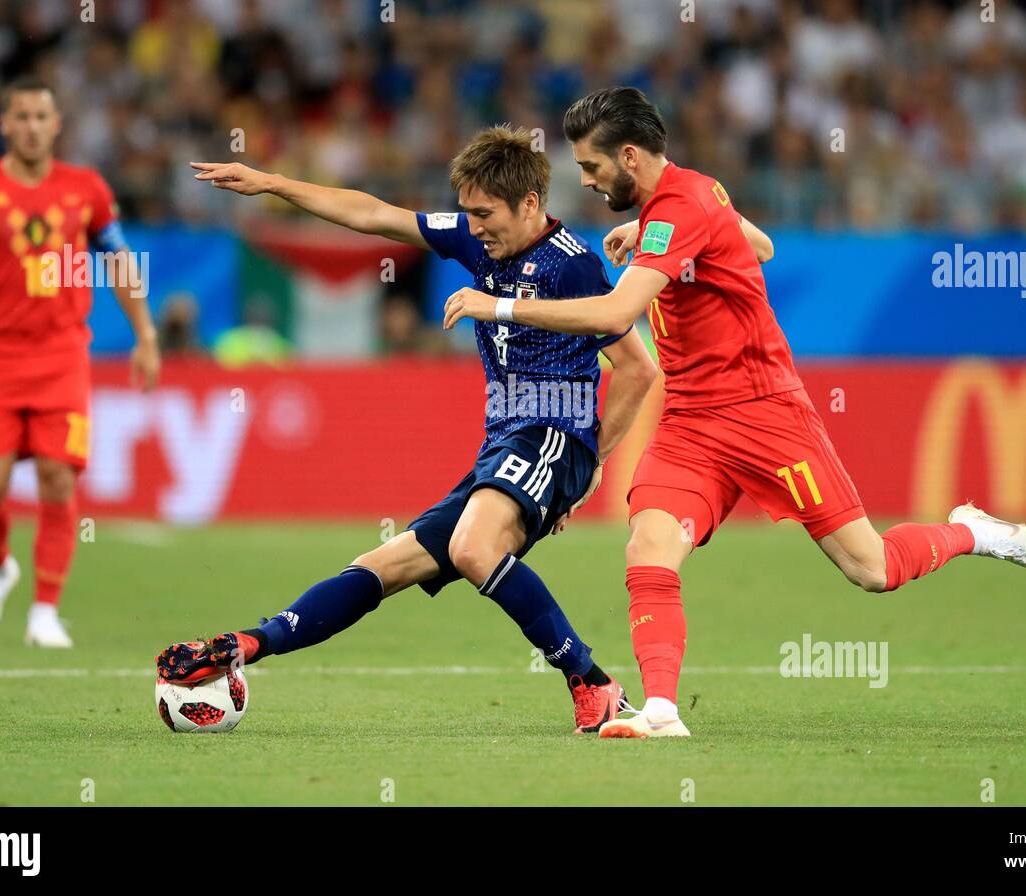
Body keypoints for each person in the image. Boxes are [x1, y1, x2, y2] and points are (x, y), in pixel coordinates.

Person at [443, 88, 1026, 738]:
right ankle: (661, 711)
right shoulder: (689, 200)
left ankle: (972, 531)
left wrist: (498, 306)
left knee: (870, 569)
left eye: (592, 168)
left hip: (766, 415)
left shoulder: (681, 206)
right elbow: (758, 245)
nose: (587, 182)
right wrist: (657, 241)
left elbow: (613, 315)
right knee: (649, 549)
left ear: (628, 156)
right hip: (691, 422)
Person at [157, 126, 664, 732]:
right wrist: (272, 184)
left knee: (474, 548)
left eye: (484, 214)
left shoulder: (572, 267)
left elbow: (638, 370)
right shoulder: (480, 243)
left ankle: (591, 682)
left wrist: (587, 465)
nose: (473, 227)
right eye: (468, 213)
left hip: (554, 433)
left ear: (530, 205)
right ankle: (248, 645)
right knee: (382, 566)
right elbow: (371, 213)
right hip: (503, 448)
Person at [0, 75, 160, 647]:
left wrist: (145, 334)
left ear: (57, 124)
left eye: (40, 116)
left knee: (56, 477)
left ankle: (45, 610)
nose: (30, 127)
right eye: (19, 116)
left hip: (63, 354)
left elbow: (119, 261)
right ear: (4, 124)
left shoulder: (87, 189)